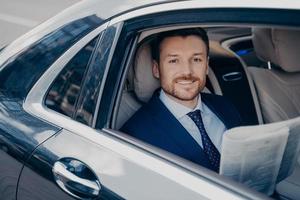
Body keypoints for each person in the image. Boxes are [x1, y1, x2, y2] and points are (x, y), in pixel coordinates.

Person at [121, 28, 242, 172]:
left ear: (206, 66)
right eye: (174, 61)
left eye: (196, 59)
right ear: (156, 69)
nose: (187, 72)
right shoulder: (134, 136)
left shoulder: (224, 105)